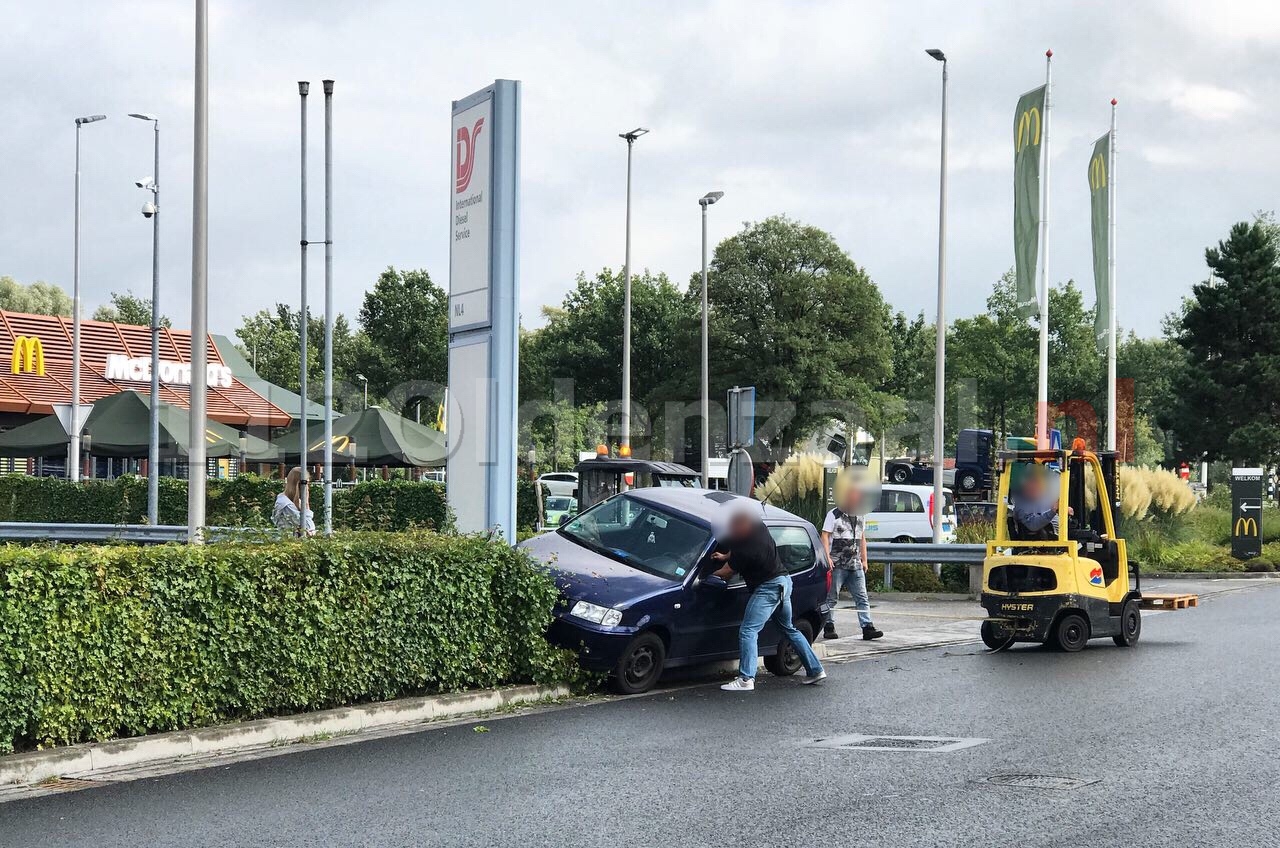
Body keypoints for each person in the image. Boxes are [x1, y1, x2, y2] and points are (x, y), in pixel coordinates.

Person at [713, 509, 825, 691]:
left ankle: (746, 679)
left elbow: (726, 573)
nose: (731, 531)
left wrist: (703, 577)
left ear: (742, 527)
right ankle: (815, 669)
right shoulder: (759, 527)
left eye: (734, 527)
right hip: (784, 583)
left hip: (768, 589)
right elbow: (737, 545)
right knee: (788, 628)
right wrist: (726, 556)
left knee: (748, 630)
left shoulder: (746, 551)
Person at [820, 486, 883, 642]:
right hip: (837, 563)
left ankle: (867, 627)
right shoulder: (834, 514)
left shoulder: (861, 515)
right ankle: (829, 626)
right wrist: (827, 557)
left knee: (862, 597)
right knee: (832, 597)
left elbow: (862, 538)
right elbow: (825, 535)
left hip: (855, 564)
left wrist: (864, 559)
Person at [273, 466, 316, 536]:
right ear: (299, 484)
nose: (308, 488)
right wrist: (306, 503)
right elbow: (308, 527)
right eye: (306, 483)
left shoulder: (294, 501)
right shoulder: (286, 504)